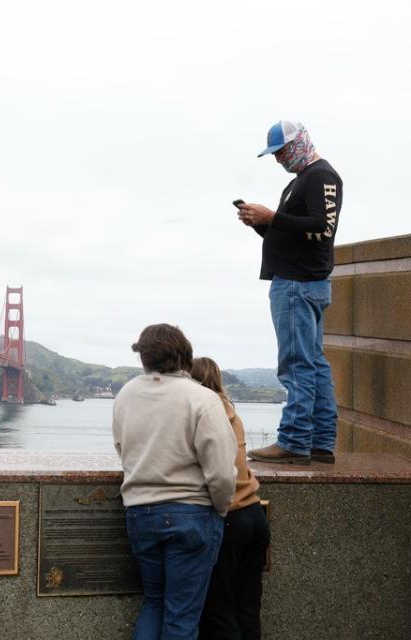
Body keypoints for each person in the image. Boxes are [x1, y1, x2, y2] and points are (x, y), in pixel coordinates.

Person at [113, 324, 237, 640]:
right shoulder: (202, 398)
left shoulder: (126, 394)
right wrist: (220, 510)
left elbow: (121, 449)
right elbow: (221, 471)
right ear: (185, 355)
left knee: (154, 604)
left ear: (144, 357)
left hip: (140, 512)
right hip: (192, 514)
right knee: (181, 617)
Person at [237, 121, 342, 465]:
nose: (279, 159)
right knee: (314, 364)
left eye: (282, 151)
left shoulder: (320, 177)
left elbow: (321, 229)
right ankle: (321, 443)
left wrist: (272, 216)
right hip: (301, 281)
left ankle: (295, 441)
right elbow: (290, 234)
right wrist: (262, 223)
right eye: (275, 154)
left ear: (299, 144)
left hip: (298, 285)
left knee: (296, 365)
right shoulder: (301, 181)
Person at [191, 357, 270, 640]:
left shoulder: (202, 414)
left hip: (230, 518)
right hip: (254, 513)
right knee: (248, 607)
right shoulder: (231, 412)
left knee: (218, 610)